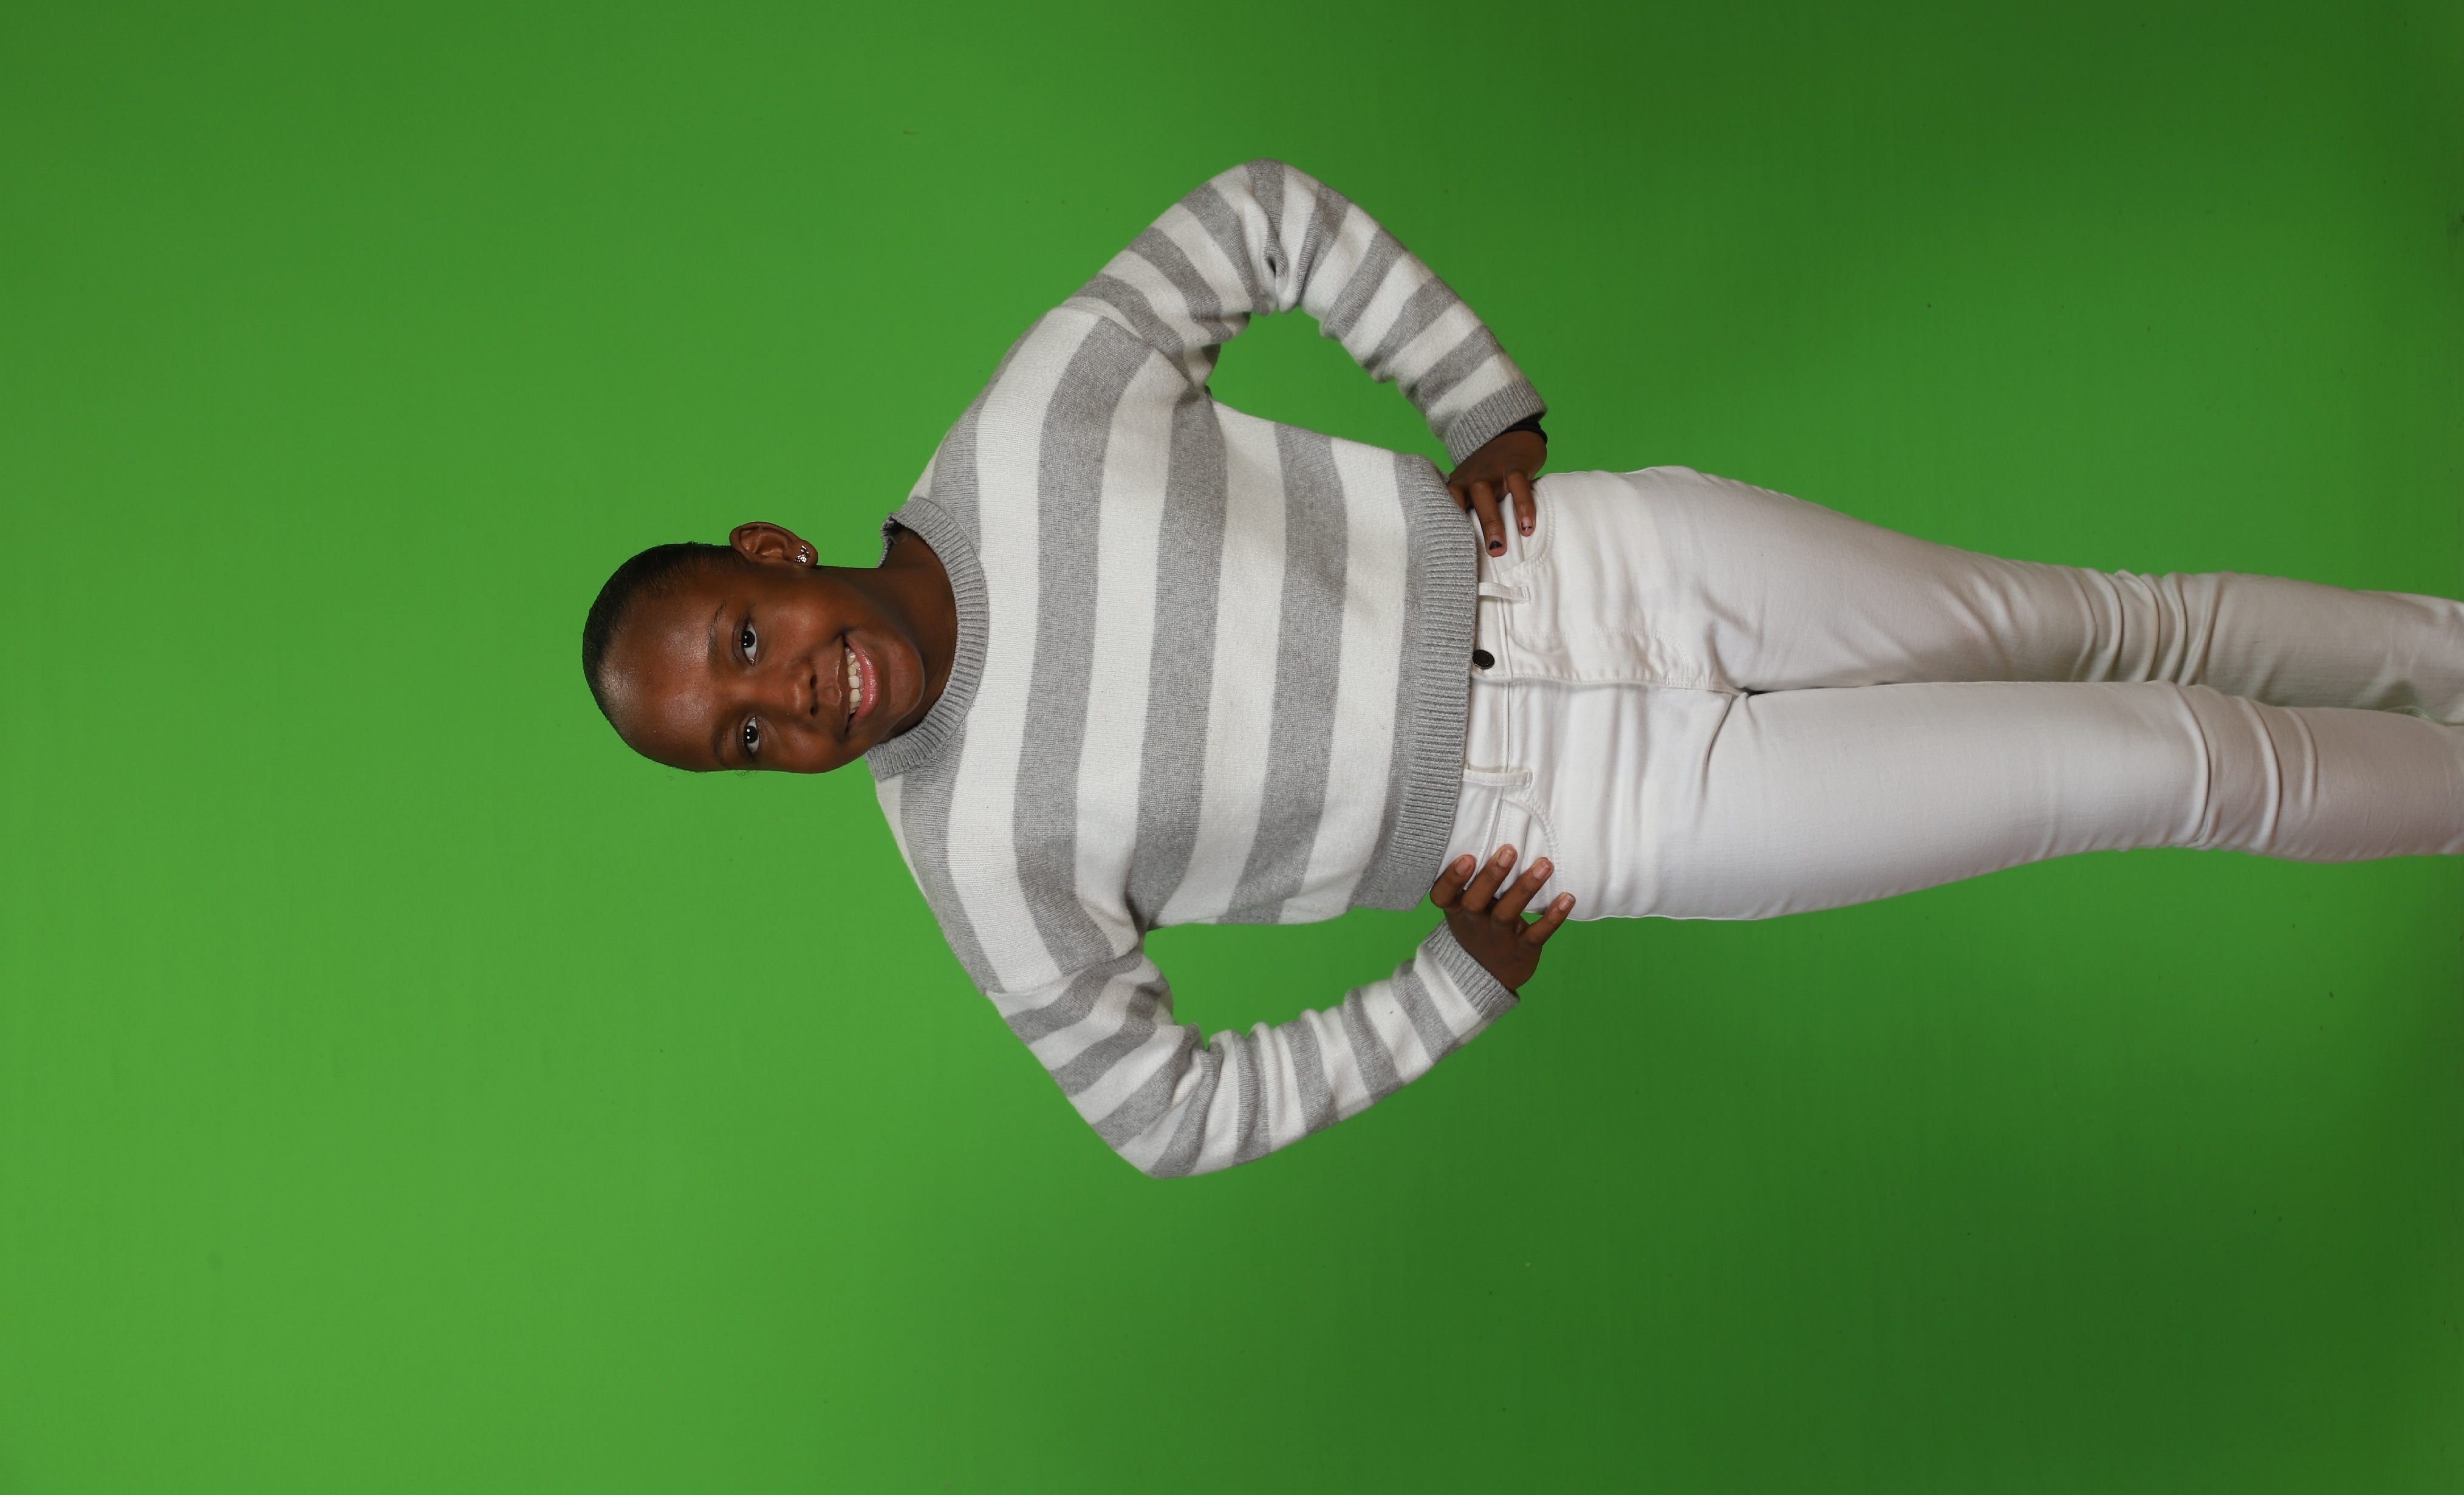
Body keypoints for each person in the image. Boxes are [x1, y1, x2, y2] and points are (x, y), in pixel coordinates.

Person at [581, 161, 2464, 1177]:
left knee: (2104, 624)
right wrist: (1448, 990)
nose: (791, 700)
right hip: (1606, 821)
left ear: (772, 553)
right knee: (2154, 767)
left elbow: (1258, 215)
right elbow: (1168, 1119)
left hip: (1601, 565)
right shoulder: (977, 865)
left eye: (749, 642)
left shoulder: (1030, 426)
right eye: (742, 740)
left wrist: (1469, 394)